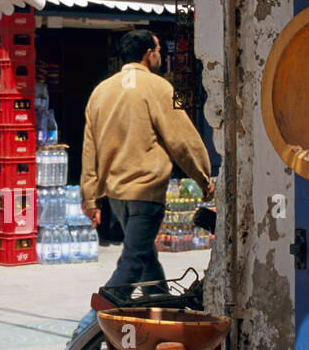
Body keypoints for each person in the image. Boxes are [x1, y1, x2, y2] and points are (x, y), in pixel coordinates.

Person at [81, 28, 215, 297]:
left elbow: (89, 149)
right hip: (146, 191)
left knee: (145, 259)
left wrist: (90, 197)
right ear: (148, 54)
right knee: (132, 263)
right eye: (158, 51)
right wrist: (203, 177)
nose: (160, 56)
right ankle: (90, 327)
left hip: (117, 195)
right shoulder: (159, 87)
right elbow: (182, 139)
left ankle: (162, 311)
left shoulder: (100, 91)